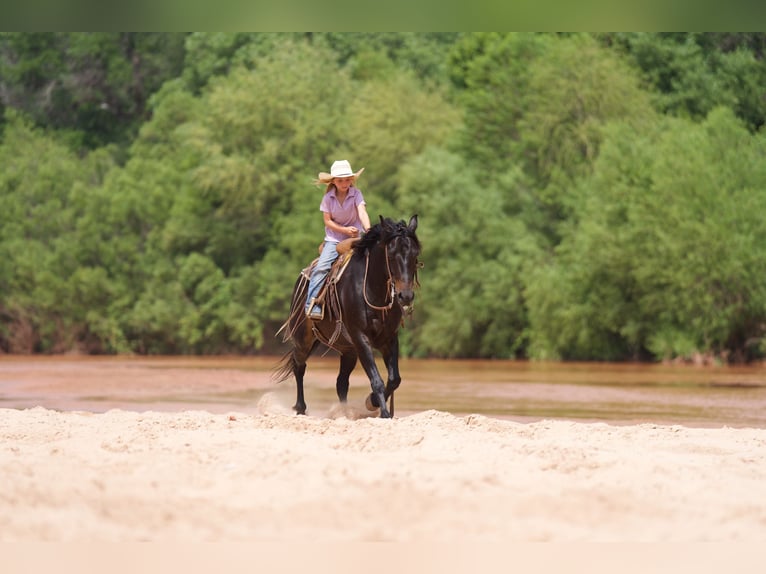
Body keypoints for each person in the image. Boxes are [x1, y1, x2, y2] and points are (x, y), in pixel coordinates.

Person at [304, 159, 371, 320]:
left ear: (351, 180)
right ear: (334, 181)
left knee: (374, 262)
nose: (344, 183)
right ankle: (312, 304)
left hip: (355, 238)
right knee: (322, 267)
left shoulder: (357, 194)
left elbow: (362, 212)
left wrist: (368, 231)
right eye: (340, 180)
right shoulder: (328, 198)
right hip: (334, 239)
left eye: (347, 179)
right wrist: (345, 230)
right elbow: (327, 221)